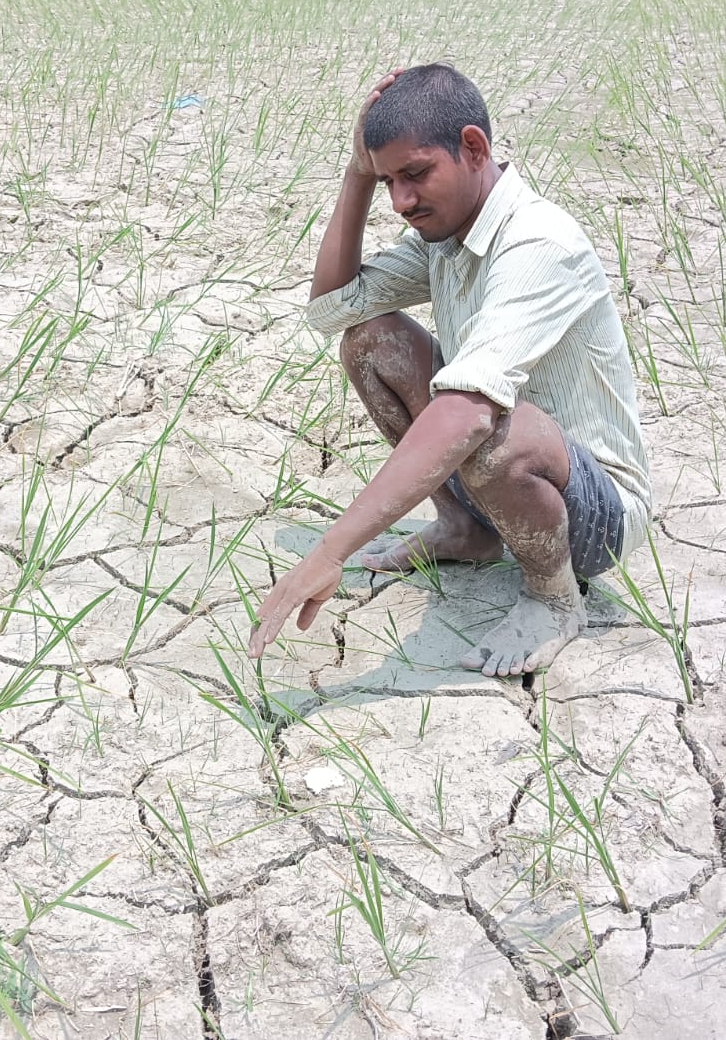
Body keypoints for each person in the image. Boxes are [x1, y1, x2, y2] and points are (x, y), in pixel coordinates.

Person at [247, 64, 650, 678]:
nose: (401, 201)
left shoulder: (539, 242)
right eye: (388, 181)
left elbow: (468, 412)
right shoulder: (444, 236)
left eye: (414, 174)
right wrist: (357, 175)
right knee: (371, 340)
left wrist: (332, 551)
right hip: (500, 478)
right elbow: (332, 310)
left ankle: (553, 597)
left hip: (593, 517)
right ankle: (465, 528)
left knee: (486, 426)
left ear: (473, 147)